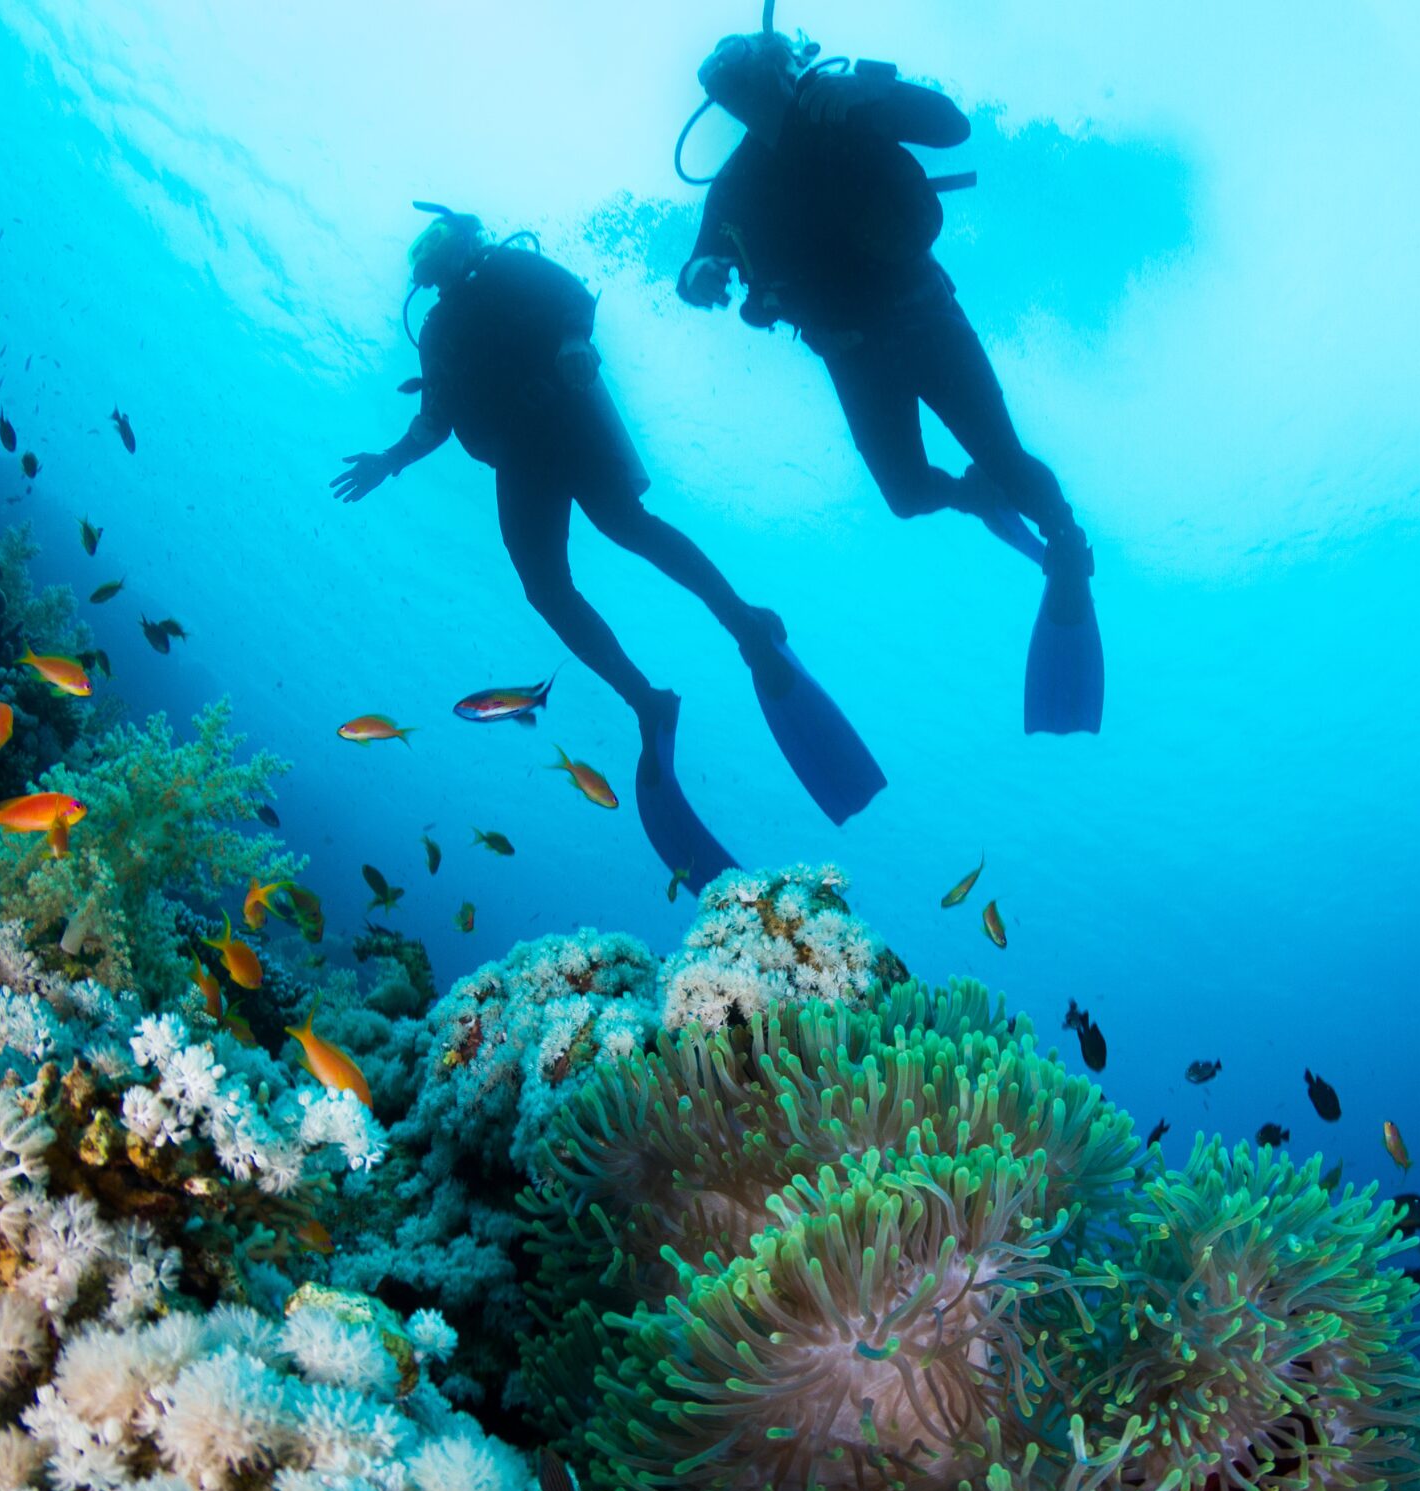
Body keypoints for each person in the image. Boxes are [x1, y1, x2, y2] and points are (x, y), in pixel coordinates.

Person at [333, 205, 883, 889]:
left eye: (435, 237)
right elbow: (436, 419)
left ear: (461, 235)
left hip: (566, 416)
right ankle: (646, 701)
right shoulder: (438, 328)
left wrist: (570, 342)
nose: (428, 254)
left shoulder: (507, 263)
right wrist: (390, 459)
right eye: (421, 248)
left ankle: (743, 624)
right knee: (545, 588)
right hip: (519, 460)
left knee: (629, 527)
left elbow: (574, 299)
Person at [677, 31, 1104, 734]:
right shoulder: (735, 186)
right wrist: (699, 277)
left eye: (753, 85)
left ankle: (1064, 541)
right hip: (853, 356)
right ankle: (978, 496)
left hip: (927, 322)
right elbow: (701, 258)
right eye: (734, 97)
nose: (750, 103)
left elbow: (953, 126)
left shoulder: (847, 108)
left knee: (1007, 456)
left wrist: (871, 89)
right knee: (907, 496)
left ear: (784, 71)